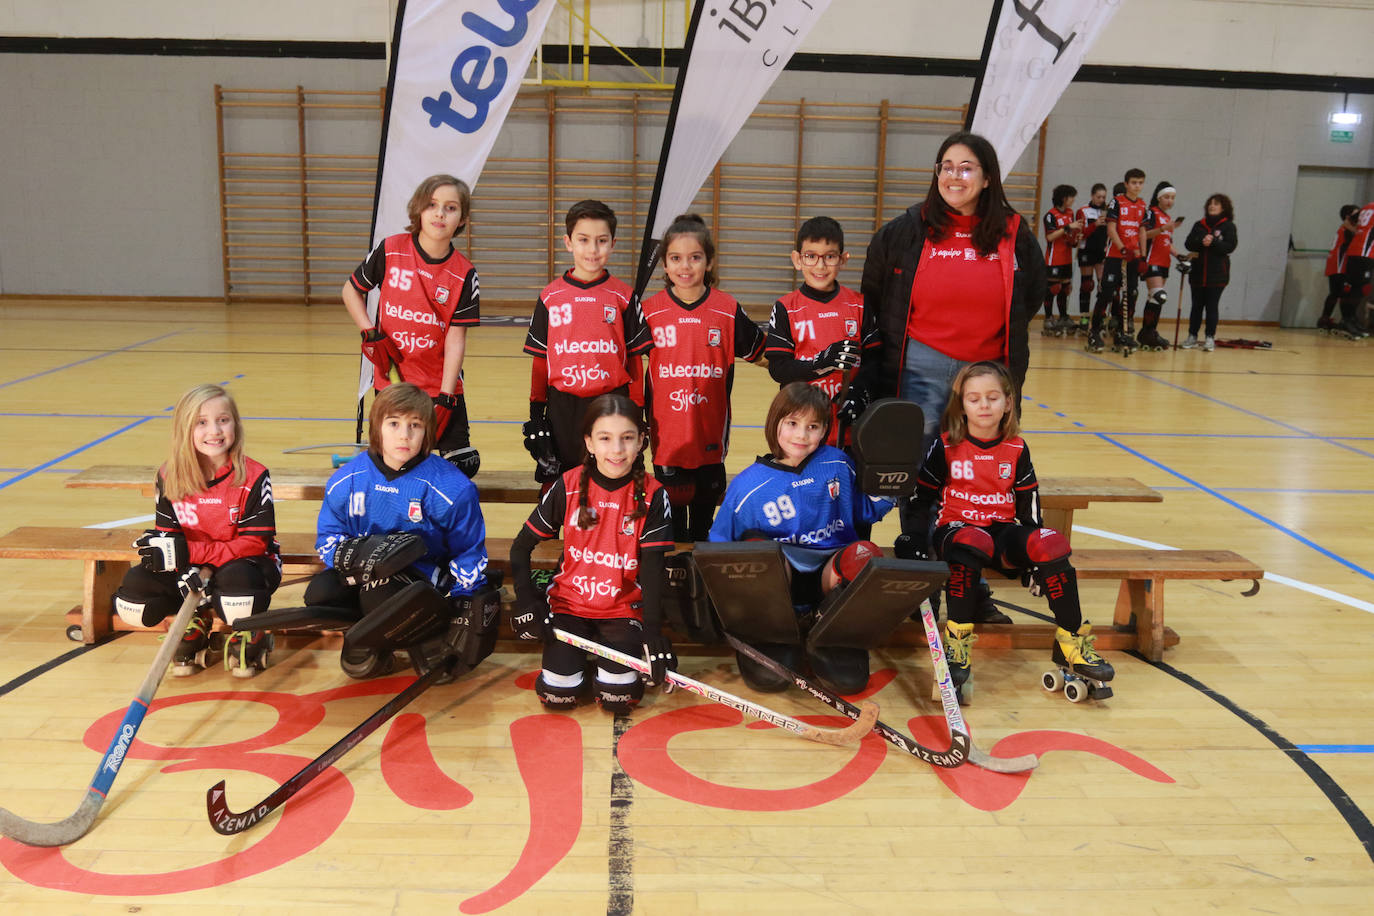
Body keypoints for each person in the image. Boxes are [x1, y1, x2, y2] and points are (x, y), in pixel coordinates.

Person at [860, 130, 1044, 625]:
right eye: (945, 166)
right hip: (918, 367)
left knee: (978, 480)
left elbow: (1035, 292)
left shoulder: (1011, 231)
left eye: (966, 167)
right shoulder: (908, 228)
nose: (953, 176)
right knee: (920, 478)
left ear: (986, 178)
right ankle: (918, 588)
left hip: (985, 376)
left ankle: (970, 584)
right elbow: (875, 292)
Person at [911, 361, 1114, 704]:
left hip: (1002, 532)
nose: (984, 405)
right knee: (971, 540)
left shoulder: (1016, 447)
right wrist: (916, 541)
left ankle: (1071, 642)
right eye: (974, 399)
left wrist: (1036, 557)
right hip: (957, 531)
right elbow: (922, 499)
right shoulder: (946, 446)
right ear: (961, 404)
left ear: (1008, 402)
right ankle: (957, 645)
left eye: (992, 397)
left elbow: (1029, 505)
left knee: (1051, 544)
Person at [709, 382, 894, 693]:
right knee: (756, 553)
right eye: (792, 423)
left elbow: (864, 511)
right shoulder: (747, 486)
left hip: (829, 575)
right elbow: (720, 549)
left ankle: (833, 634)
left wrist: (893, 485)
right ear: (774, 422)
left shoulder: (837, 462)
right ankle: (773, 633)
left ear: (824, 430)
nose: (801, 435)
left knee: (865, 554)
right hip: (782, 586)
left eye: (813, 427)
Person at [508, 394, 676, 713]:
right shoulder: (568, 485)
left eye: (627, 438)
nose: (616, 450)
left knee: (618, 698)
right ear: (589, 442)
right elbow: (521, 547)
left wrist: (653, 632)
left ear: (642, 441)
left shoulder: (653, 495)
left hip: (621, 610)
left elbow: (653, 568)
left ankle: (606, 662)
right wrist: (526, 598)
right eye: (605, 438)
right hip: (569, 605)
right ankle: (583, 663)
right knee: (557, 695)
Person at [309, 383, 490, 679]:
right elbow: (328, 537)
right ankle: (369, 638)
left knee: (377, 594)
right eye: (393, 423)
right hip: (365, 573)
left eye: (414, 426)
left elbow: (469, 550)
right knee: (321, 594)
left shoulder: (452, 488)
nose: (404, 435)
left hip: (425, 578)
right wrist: (354, 560)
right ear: (377, 428)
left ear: (427, 433)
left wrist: (461, 600)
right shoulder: (348, 478)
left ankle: (424, 637)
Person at [113, 384, 280, 678]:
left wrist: (191, 554)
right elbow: (169, 538)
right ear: (184, 429)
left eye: (223, 420)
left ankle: (251, 629)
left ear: (235, 425)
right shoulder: (169, 475)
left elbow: (254, 544)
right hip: (194, 567)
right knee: (133, 596)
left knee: (236, 589)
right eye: (201, 422)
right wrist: (180, 567)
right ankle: (196, 616)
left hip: (246, 565)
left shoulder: (254, 475)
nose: (214, 430)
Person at [342, 174, 481, 477]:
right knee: (397, 463)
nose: (440, 213)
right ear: (418, 208)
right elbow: (351, 290)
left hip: (438, 384)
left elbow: (457, 338)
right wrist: (369, 332)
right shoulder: (391, 249)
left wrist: (446, 396)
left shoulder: (464, 273)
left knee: (462, 465)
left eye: (450, 207)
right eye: (432, 205)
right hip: (394, 383)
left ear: (462, 218)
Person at [640, 214, 766, 541]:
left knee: (700, 529)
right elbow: (623, 363)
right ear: (664, 265)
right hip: (667, 441)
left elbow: (764, 354)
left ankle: (699, 585)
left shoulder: (726, 310)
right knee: (672, 531)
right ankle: (675, 585)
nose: (686, 266)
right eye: (676, 258)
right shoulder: (650, 311)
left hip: (711, 441)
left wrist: (806, 367)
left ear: (708, 261)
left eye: (695, 257)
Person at [523, 199, 652, 485]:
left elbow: (634, 359)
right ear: (568, 242)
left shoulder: (624, 296)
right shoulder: (550, 296)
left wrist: (637, 410)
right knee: (558, 483)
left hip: (611, 402)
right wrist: (536, 410)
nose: (593, 250)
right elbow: (540, 359)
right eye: (583, 240)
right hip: (562, 406)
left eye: (601, 241)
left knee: (613, 479)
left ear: (613, 244)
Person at [764, 215, 880, 449]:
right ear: (797, 259)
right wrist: (822, 363)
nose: (820, 266)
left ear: (843, 259)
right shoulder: (786, 307)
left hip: (849, 425)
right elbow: (779, 369)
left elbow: (876, 361)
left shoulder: (860, 305)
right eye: (811, 256)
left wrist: (859, 393)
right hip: (801, 428)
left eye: (829, 257)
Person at [1087, 169, 1149, 353]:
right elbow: (1111, 229)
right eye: (1134, 182)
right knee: (1107, 293)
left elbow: (1142, 231)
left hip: (1133, 256)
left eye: (1140, 183)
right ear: (1126, 184)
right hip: (1116, 255)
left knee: (1131, 294)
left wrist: (1143, 256)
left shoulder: (1142, 205)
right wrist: (1122, 248)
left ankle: (1123, 332)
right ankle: (1094, 331)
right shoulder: (1117, 202)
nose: (1137, 186)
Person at [1181, 193, 1239, 351]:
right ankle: (1192, 336)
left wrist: (1214, 242)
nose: (1212, 206)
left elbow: (1230, 246)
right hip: (1198, 274)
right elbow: (1188, 243)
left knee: (1212, 306)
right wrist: (1201, 241)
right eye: (1210, 203)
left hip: (1217, 274)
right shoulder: (1199, 225)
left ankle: (1209, 338)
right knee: (1196, 306)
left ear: (1223, 207)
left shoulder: (1228, 226)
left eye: (1216, 204)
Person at [1136, 181, 1184, 351]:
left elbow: (1166, 242)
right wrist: (1163, 228)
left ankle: (1148, 332)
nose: (1170, 201)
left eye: (1173, 198)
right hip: (1152, 260)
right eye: (1167, 197)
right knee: (1159, 296)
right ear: (1158, 197)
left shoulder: (1168, 218)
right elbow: (1143, 234)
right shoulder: (1152, 213)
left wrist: (1179, 255)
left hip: (1165, 262)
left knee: (1154, 299)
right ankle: (1148, 332)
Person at [1041, 184, 1082, 336]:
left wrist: (1075, 238)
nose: (1073, 200)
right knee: (1053, 288)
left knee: (1065, 288)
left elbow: (1070, 235)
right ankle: (1048, 318)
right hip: (1054, 259)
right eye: (1071, 197)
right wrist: (1067, 228)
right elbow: (1050, 237)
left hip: (1067, 258)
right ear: (1064, 198)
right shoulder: (1050, 215)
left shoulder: (1071, 213)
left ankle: (1063, 317)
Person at [1318, 205, 1360, 333]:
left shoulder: (1345, 228)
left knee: (1336, 293)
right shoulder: (1347, 228)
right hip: (1339, 264)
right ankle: (1345, 321)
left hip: (1335, 263)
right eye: (1356, 214)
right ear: (1348, 216)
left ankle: (1325, 319)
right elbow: (1354, 239)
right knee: (1342, 293)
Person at [1335, 201, 1373, 339]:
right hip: (1364, 254)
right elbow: (1347, 222)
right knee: (1356, 289)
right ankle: (1347, 320)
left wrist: (1358, 234)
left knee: (1359, 288)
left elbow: (1347, 222)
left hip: (1360, 253)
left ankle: (1350, 320)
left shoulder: (1368, 206)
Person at [1075, 183, 1110, 334]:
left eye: (1103, 197)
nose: (1101, 199)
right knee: (1087, 284)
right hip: (1087, 250)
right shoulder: (1083, 211)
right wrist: (1095, 224)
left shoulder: (1107, 211)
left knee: (1103, 286)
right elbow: (1081, 233)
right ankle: (1084, 317)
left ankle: (1099, 317)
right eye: (1098, 197)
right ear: (1092, 196)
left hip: (1101, 252)